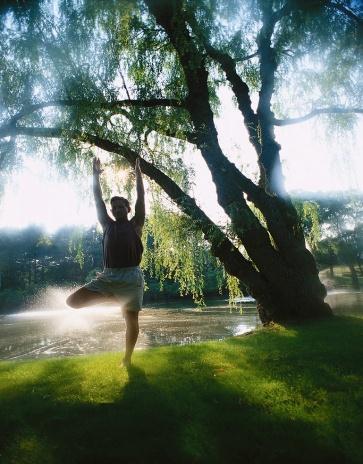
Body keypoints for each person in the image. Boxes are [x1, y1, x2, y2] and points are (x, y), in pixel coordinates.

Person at [66, 156, 145, 367]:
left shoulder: (136, 224)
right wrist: (95, 175)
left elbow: (141, 198)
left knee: (131, 320)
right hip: (108, 276)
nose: (118, 209)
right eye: (115, 207)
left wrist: (138, 175)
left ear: (128, 209)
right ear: (111, 211)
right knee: (72, 302)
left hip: (131, 277)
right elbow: (97, 198)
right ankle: (112, 296)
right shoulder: (107, 224)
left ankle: (127, 359)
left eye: (122, 207)